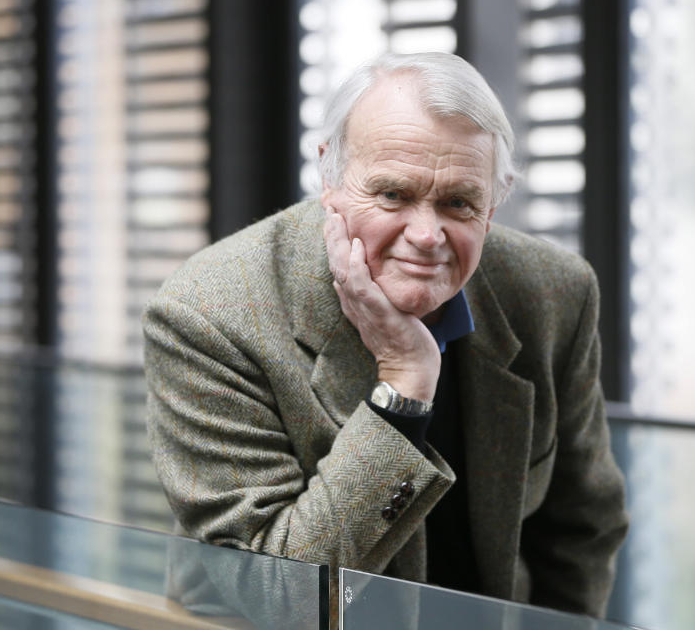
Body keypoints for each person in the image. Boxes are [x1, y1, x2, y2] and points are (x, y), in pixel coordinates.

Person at [144, 51, 628, 623]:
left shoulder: (553, 293)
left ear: (493, 204)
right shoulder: (208, 315)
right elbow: (277, 595)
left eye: (458, 202)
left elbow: (582, 529)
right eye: (393, 195)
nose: (426, 235)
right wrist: (403, 386)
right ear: (331, 178)